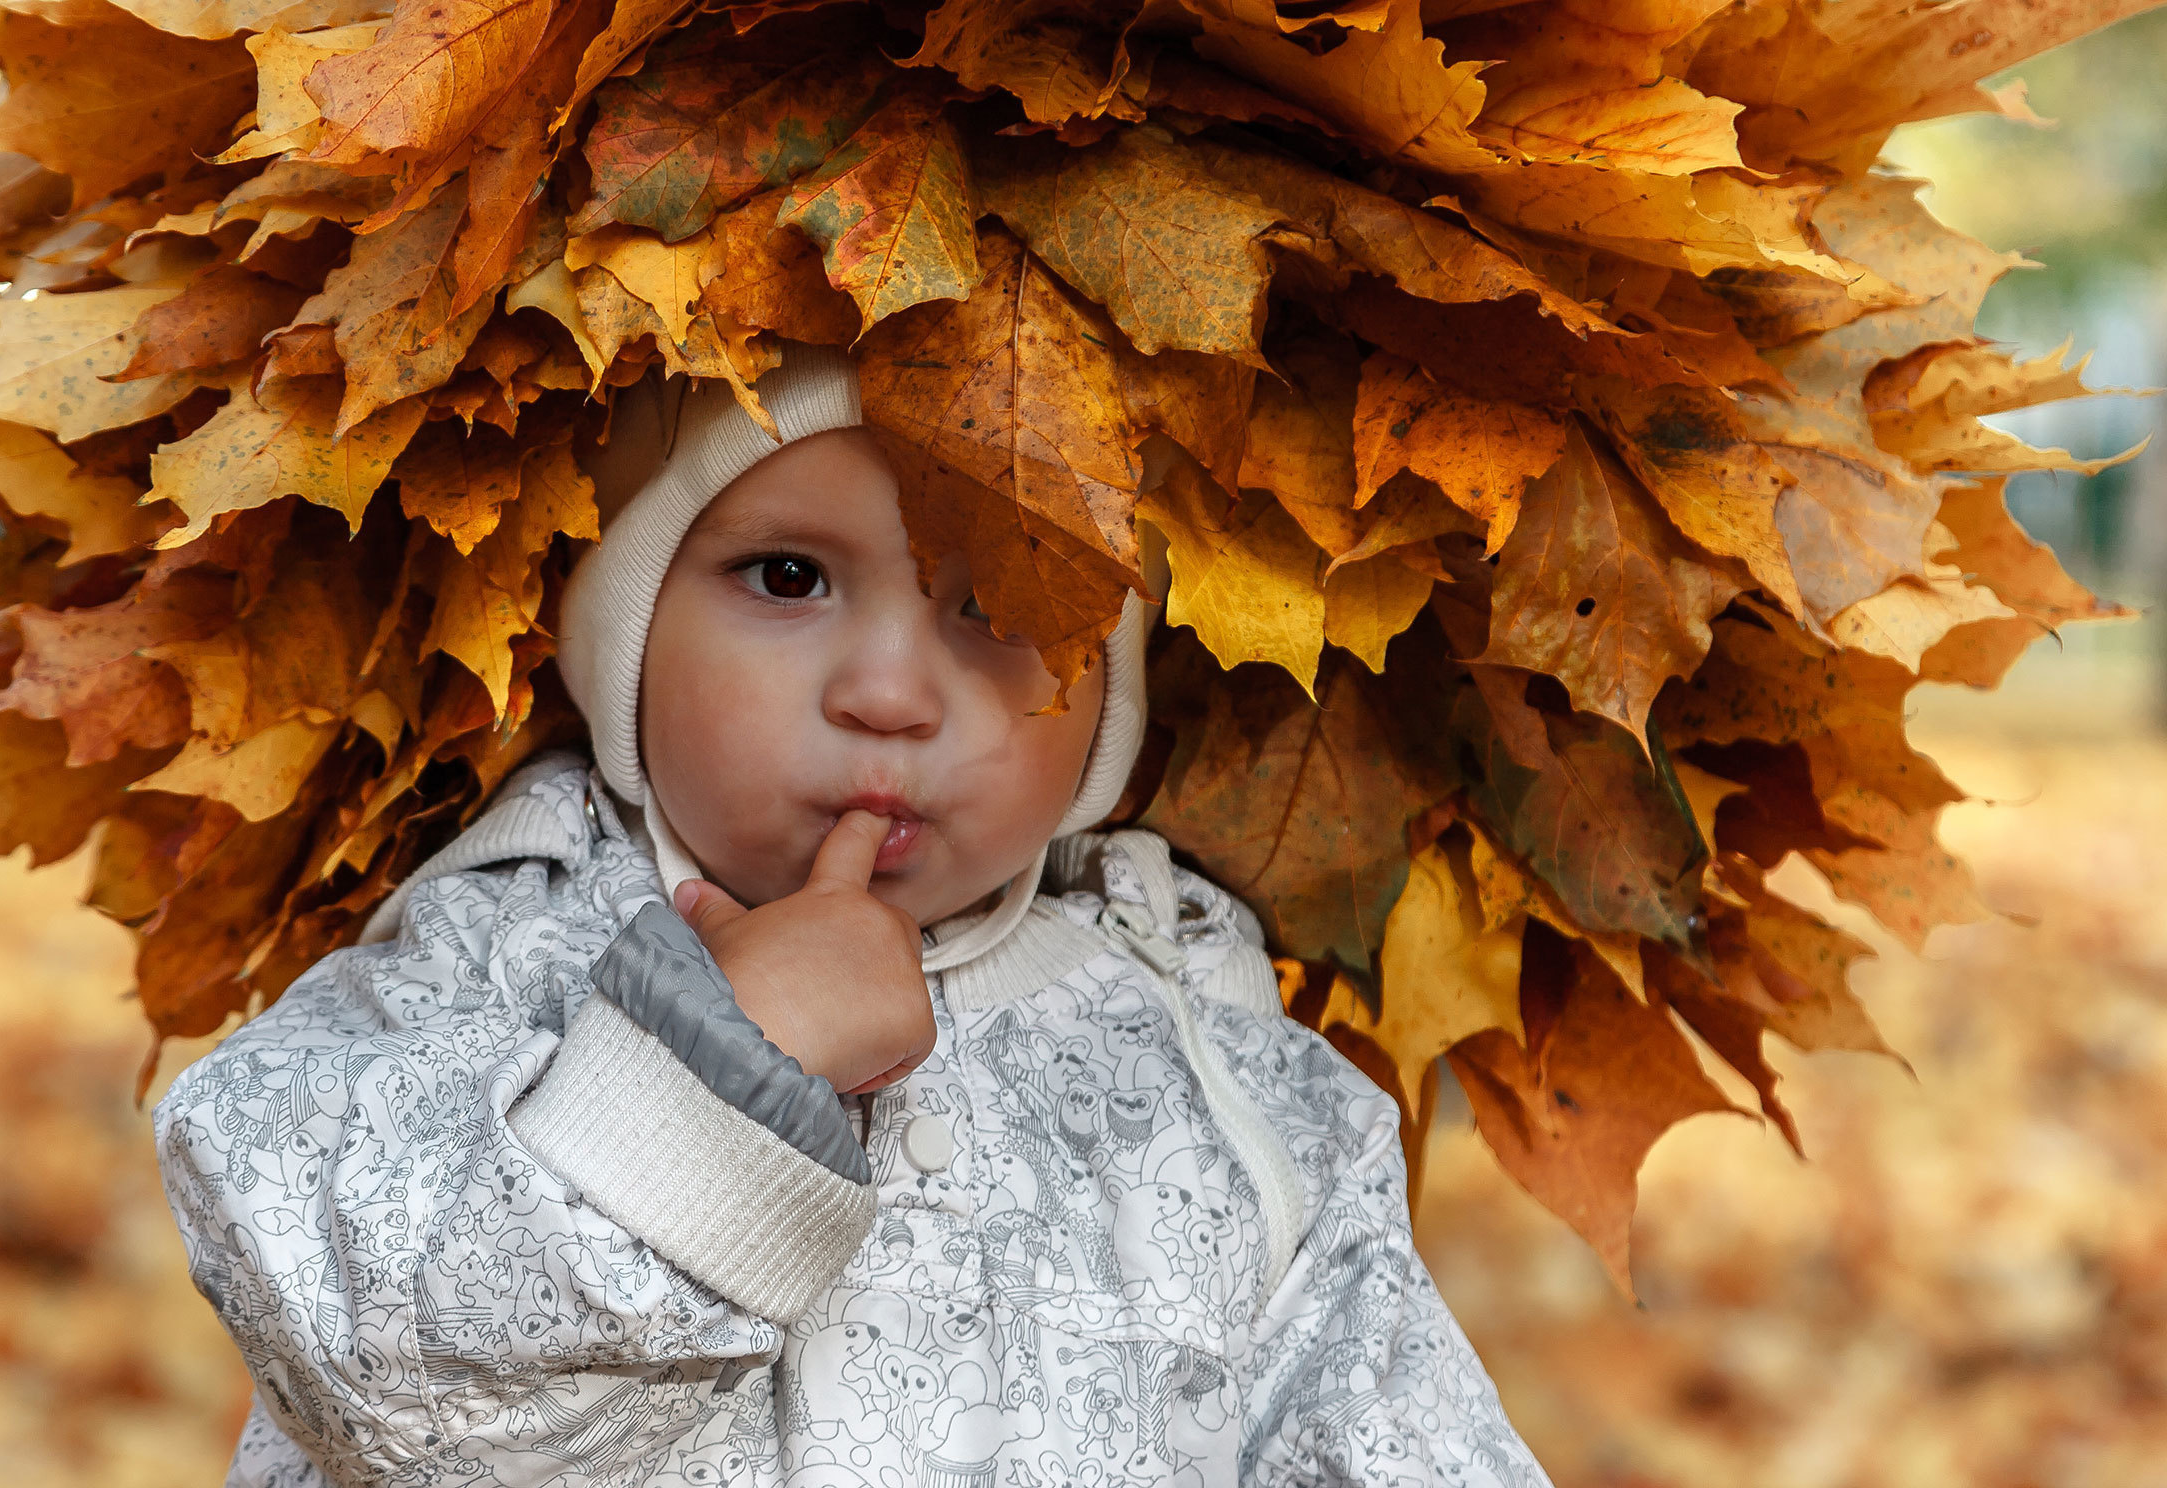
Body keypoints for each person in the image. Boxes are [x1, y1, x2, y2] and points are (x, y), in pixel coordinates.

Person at [155, 347, 1548, 1486]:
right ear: (623, 638)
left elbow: (1386, 1430)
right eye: (788, 578)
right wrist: (707, 1077)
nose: (888, 689)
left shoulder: (1225, 1075)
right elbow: (368, 1375)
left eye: (996, 602)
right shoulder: (492, 955)